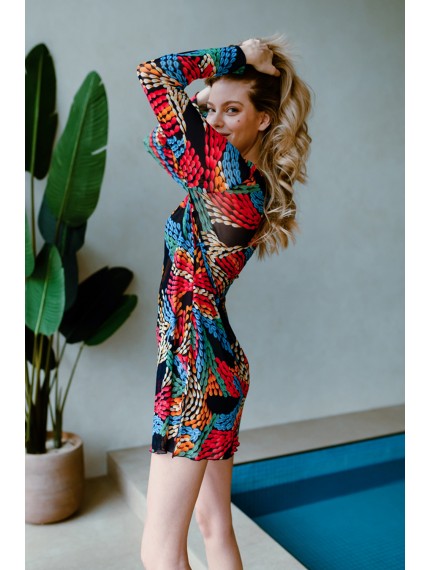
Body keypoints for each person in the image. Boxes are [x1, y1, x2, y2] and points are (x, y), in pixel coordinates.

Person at [136, 36, 311, 570]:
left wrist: (238, 55)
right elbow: (159, 138)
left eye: (233, 110)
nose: (215, 120)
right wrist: (210, 99)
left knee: (159, 553)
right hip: (209, 364)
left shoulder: (228, 178)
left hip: (196, 370)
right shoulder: (229, 176)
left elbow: (154, 74)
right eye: (211, 109)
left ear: (264, 120)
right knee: (213, 526)